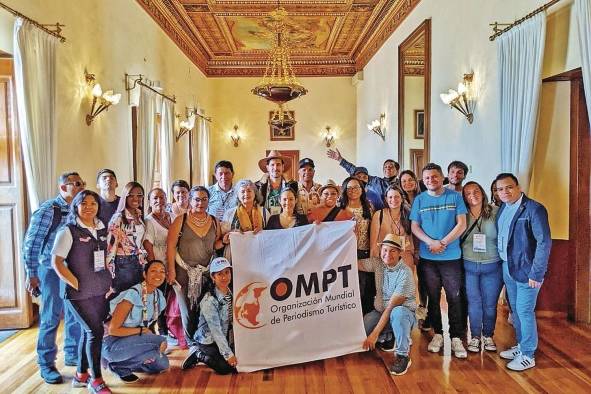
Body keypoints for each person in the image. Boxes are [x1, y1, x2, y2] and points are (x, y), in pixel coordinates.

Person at [22, 171, 84, 384]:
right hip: (50, 271)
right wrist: (31, 274)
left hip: (74, 270)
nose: (78, 187)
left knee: (75, 313)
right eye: (74, 184)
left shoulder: (80, 210)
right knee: (50, 317)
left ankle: (73, 353)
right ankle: (46, 363)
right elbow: (31, 244)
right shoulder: (49, 210)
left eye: (80, 183)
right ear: (62, 188)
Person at [51, 190, 112, 393]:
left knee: (90, 332)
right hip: (77, 294)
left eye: (92, 203)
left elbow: (105, 256)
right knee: (94, 332)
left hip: (99, 290)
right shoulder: (68, 231)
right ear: (75, 206)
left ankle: (81, 374)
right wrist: (75, 283)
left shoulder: (102, 228)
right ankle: (96, 380)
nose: (88, 207)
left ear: (98, 206)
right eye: (83, 203)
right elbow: (56, 261)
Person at [410, 163, 468, 358]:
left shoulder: (455, 197)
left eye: (434, 177)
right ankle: (438, 334)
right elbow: (415, 227)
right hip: (428, 259)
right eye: (426, 178)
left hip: (451, 257)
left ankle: (456, 337)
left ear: (442, 177)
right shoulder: (419, 200)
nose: (430, 180)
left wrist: (442, 242)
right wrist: (430, 242)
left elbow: (462, 224)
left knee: (454, 297)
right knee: (433, 298)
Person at [495, 173, 551, 371]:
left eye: (509, 187)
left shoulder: (534, 209)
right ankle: (522, 345)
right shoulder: (503, 208)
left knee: (525, 310)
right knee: (515, 310)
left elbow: (544, 242)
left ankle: (528, 355)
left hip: (527, 271)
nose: (504, 192)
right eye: (500, 189)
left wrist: (537, 273)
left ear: (518, 187)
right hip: (508, 267)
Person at [167, 186, 224, 370]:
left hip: (206, 273)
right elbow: (170, 247)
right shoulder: (180, 220)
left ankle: (200, 349)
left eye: (204, 199)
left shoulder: (214, 221)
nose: (200, 203)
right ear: (190, 200)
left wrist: (226, 239)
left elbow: (215, 245)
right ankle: (193, 347)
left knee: (203, 311)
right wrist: (171, 271)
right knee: (188, 312)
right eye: (197, 199)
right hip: (184, 273)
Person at [103, 260, 169, 383]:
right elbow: (113, 330)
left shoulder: (159, 297)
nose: (158, 275)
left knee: (163, 364)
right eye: (153, 271)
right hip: (112, 342)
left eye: (162, 272)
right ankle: (118, 365)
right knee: (159, 342)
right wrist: (141, 331)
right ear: (145, 274)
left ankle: (127, 363)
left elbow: (148, 325)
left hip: (134, 339)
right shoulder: (133, 294)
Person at [360, 235, 416, 376]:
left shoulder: (405, 273)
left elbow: (391, 308)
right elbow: (356, 263)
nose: (387, 254)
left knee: (397, 313)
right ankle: (388, 335)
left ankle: (403, 356)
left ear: (399, 253)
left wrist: (374, 334)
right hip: (381, 312)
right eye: (385, 250)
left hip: (402, 314)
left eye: (392, 251)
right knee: (364, 329)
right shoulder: (378, 263)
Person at [461, 181, 502, 354]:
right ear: (464, 197)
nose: (473, 195)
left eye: (476, 191)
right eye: (468, 193)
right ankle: (475, 336)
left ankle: (488, 335)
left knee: (490, 304)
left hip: (492, 265)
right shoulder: (462, 214)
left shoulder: (496, 212)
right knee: (474, 303)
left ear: (483, 192)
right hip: (469, 265)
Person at [193, 257, 237, 374]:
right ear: (213, 277)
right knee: (225, 368)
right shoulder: (209, 300)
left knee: (240, 360)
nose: (224, 277)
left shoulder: (232, 292)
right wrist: (228, 355)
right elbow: (216, 331)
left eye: (227, 272)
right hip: (208, 340)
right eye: (219, 274)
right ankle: (198, 354)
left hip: (225, 335)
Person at [340, 176, 374, 315]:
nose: (353, 190)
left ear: (362, 190)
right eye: (349, 188)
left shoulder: (369, 206)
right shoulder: (339, 206)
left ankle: (366, 321)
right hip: (346, 253)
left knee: (366, 289)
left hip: (365, 251)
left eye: (356, 187)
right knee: (349, 288)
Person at [107, 182, 148, 294]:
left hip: (139, 261)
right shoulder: (118, 218)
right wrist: (109, 274)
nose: (136, 198)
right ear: (125, 196)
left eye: (139, 195)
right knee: (124, 299)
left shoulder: (139, 215)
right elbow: (110, 247)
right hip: (123, 263)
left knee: (137, 299)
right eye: (131, 195)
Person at [143, 188, 173, 339]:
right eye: (155, 198)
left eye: (162, 197)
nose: (159, 201)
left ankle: (166, 333)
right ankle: (155, 335)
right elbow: (148, 245)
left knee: (166, 300)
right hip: (158, 266)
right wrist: (156, 269)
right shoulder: (149, 220)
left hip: (171, 264)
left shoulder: (171, 216)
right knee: (156, 301)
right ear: (149, 201)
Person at [327, 147, 399, 210]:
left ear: (397, 171)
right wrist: (340, 160)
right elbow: (356, 172)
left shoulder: (401, 183)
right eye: (385, 167)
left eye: (391, 166)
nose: (388, 168)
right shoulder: (377, 181)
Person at [221, 180, 269, 259]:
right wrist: (231, 233)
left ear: (255, 194)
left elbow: (270, 235)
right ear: (237, 195)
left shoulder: (264, 212)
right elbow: (222, 237)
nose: (246, 194)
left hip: (259, 253)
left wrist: (263, 232)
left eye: (249, 191)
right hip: (235, 255)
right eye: (242, 191)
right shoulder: (229, 213)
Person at [369, 185, 414, 267]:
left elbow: (412, 240)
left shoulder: (408, 215)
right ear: (386, 199)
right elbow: (374, 245)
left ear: (401, 198)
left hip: (405, 260)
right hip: (385, 260)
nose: (393, 200)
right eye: (390, 197)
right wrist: (375, 267)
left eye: (397, 197)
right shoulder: (379, 215)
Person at [255, 150, 294, 216]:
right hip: (265, 224)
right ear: (267, 168)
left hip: (285, 223)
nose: (275, 168)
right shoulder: (257, 186)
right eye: (272, 165)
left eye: (278, 164)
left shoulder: (292, 186)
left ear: (283, 167)